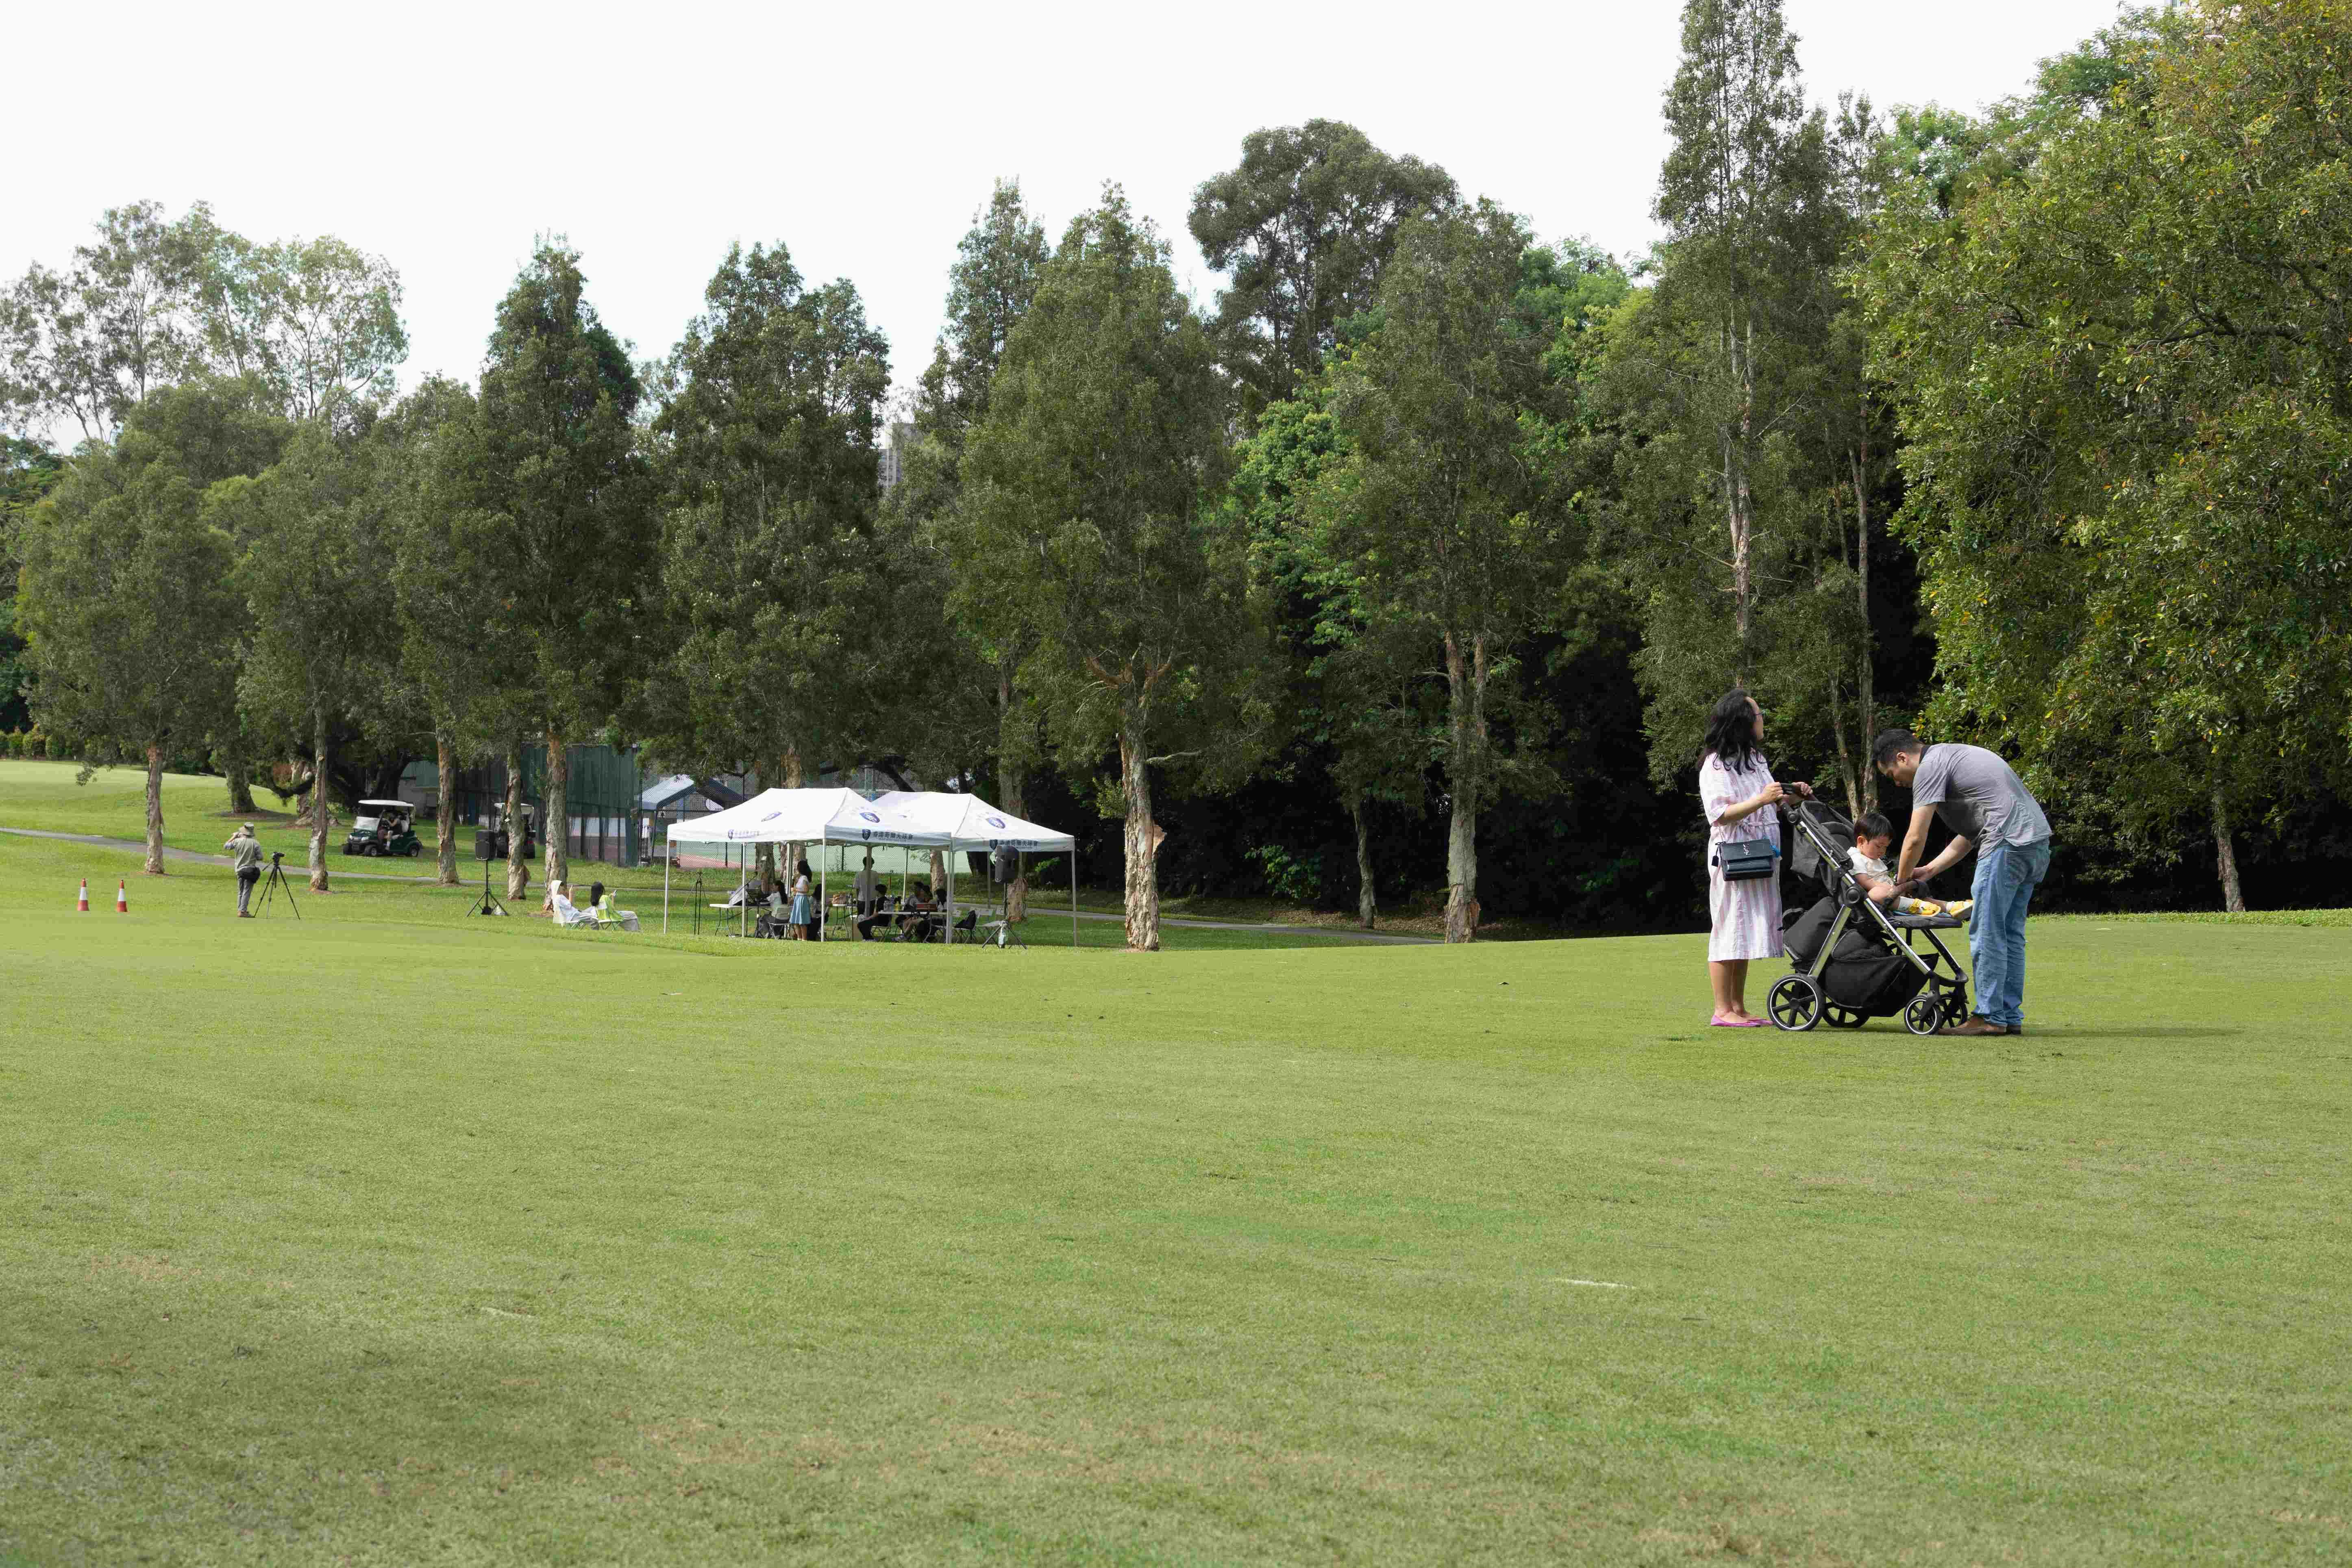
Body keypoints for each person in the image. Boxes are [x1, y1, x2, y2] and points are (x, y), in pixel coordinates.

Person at [1873, 730, 2052, 1037]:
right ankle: (2008, 1015)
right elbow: (1972, 833)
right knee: (2009, 934)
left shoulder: (1929, 767)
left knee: (1986, 931)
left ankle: (1989, 1017)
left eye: (1892, 774)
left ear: (1902, 757)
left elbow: (1915, 837)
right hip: (2034, 842)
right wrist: (1929, 869)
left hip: (2006, 843)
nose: (1897, 782)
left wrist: (1900, 883)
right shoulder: (1951, 755)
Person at [1699, 689, 1813, 1027]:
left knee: (1744, 929)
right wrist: (1763, 798)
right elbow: (1719, 814)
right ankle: (1722, 1010)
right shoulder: (1715, 764)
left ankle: (1738, 1007)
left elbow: (1773, 802)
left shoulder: (1754, 759)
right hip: (1733, 854)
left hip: (1762, 853)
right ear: (1742, 721)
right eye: (1758, 715)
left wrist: (1793, 794)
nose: (1763, 720)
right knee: (1728, 925)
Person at [1848, 813, 1972, 918]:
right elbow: (1865, 882)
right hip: (1880, 897)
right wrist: (1889, 888)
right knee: (1875, 893)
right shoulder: (1856, 858)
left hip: (1893, 893)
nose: (1882, 851)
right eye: (1879, 846)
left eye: (1886, 847)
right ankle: (1918, 907)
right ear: (1861, 841)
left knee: (1919, 893)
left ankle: (1951, 907)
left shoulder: (1874, 857)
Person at [224, 823, 266, 917]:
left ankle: (241, 910)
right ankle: (243, 911)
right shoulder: (256, 843)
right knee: (247, 891)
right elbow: (260, 858)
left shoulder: (237, 841)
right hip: (250, 870)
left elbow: (226, 846)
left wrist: (234, 837)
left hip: (239, 870)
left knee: (241, 891)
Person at [790, 859, 816, 940]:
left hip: (802, 899)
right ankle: (799, 938)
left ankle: (804, 939)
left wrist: (795, 890)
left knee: (802, 922)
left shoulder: (804, 878)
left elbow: (806, 890)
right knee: (796, 921)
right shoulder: (801, 878)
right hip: (798, 898)